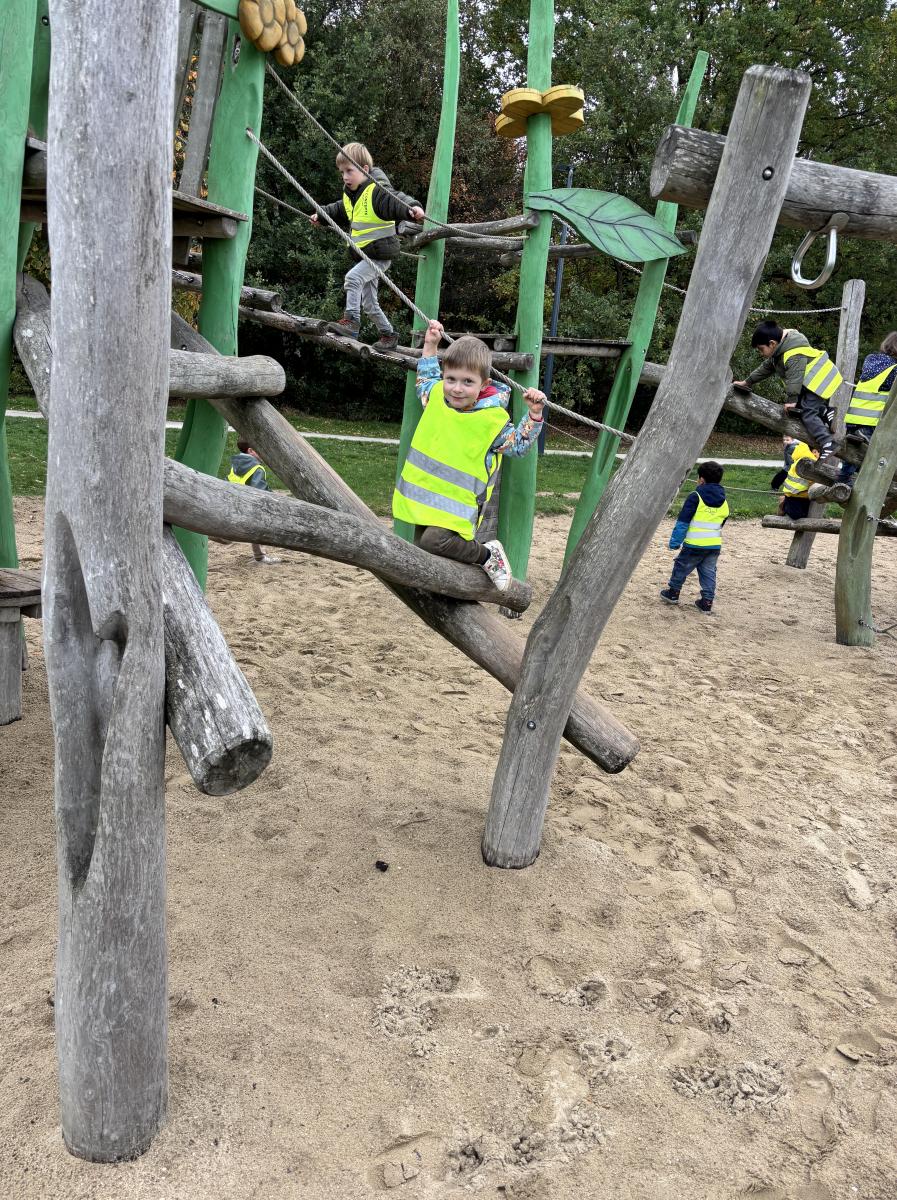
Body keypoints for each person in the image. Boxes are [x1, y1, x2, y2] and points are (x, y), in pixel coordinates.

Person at [392, 320, 546, 592]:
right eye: (451, 379)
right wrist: (430, 345)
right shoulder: (436, 396)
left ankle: (487, 555)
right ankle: (442, 593)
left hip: (458, 505)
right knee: (423, 551)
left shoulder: (492, 420)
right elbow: (426, 378)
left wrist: (534, 415)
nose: (457, 388)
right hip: (426, 498)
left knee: (434, 542)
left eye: (467, 382)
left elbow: (518, 446)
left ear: (483, 384)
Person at [310, 142, 425, 350]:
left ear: (364, 169)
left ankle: (351, 322)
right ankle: (389, 335)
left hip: (380, 255)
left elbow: (394, 200)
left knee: (352, 278)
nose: (345, 177)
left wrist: (412, 208)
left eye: (349, 171)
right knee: (370, 304)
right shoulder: (351, 195)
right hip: (367, 255)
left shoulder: (376, 192)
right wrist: (322, 216)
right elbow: (338, 209)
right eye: (342, 172)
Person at [734, 320, 841, 461]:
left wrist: (791, 401)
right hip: (813, 381)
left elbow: (795, 378)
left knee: (808, 414)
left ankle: (828, 443)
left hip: (821, 379)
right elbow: (765, 369)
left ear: (772, 343)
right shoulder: (779, 352)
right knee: (801, 409)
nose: (761, 353)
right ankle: (825, 412)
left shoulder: (792, 354)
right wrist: (747, 381)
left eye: (761, 349)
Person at [660, 461, 729, 614]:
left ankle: (673, 593)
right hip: (714, 545)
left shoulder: (695, 496)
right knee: (709, 572)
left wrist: (675, 542)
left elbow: (683, 522)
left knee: (681, 566)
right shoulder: (724, 500)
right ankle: (707, 601)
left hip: (694, 544)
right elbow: (723, 520)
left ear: (701, 479)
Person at [839, 331, 897, 482]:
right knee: (877, 458)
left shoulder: (870, 360)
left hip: (853, 418)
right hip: (870, 421)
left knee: (852, 455)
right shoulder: (894, 370)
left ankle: (843, 480)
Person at [227, 442, 281, 565]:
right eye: (260, 449)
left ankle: (259, 556)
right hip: (249, 504)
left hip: (235, 501)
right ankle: (260, 557)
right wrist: (273, 497)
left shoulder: (236, 464)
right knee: (260, 525)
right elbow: (260, 491)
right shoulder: (257, 468)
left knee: (252, 527)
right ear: (251, 451)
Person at [777, 440, 819, 518]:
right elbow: (812, 481)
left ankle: (786, 502)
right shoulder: (810, 462)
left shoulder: (803, 458)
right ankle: (784, 504)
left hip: (803, 494)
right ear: (814, 452)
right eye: (820, 453)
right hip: (794, 494)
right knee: (795, 516)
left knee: (805, 515)